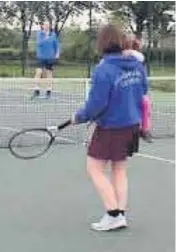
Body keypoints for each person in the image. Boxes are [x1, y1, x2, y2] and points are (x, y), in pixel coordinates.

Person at [72, 24, 148, 231]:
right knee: (119, 169)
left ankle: (113, 213)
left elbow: (97, 104)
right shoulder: (138, 66)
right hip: (131, 125)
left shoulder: (103, 70)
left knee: (94, 168)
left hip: (111, 128)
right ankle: (119, 214)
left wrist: (79, 116)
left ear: (102, 43)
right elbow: (143, 94)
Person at [33, 22, 60, 99]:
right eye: (45, 25)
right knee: (38, 72)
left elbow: (57, 45)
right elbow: (39, 43)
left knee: (49, 73)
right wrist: (45, 37)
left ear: (49, 26)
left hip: (50, 57)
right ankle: (36, 90)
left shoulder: (53, 34)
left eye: (48, 25)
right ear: (43, 26)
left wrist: (57, 53)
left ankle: (48, 91)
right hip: (41, 57)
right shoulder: (39, 34)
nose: (46, 26)